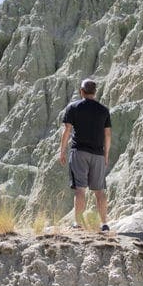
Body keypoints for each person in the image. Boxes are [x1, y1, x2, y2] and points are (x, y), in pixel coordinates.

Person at [58, 79, 112, 231]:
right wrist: (106, 154)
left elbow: (67, 130)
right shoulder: (104, 110)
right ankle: (104, 224)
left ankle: (78, 223)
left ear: (81, 91)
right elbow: (107, 134)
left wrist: (62, 151)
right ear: (95, 93)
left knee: (80, 189)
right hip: (98, 155)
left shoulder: (73, 107)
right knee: (99, 191)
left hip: (79, 152)